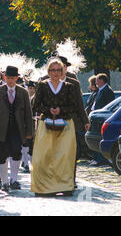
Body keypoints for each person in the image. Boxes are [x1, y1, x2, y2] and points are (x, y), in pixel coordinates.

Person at [31, 59, 78, 197]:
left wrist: (60, 110)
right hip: (46, 124)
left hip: (65, 125)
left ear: (62, 71)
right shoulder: (42, 85)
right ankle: (43, 187)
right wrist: (49, 110)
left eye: (58, 70)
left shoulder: (69, 86)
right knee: (43, 156)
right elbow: (35, 105)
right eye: (53, 70)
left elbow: (73, 106)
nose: (56, 73)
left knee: (64, 157)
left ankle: (64, 186)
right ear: (48, 71)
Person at [0, 66, 34, 192]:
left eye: (13, 78)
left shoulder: (23, 92)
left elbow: (28, 113)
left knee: (16, 153)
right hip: (0, 128)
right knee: (1, 155)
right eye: (9, 78)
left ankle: (14, 179)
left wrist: (29, 132)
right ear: (4, 77)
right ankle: (4, 181)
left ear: (17, 78)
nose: (11, 80)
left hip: (17, 128)